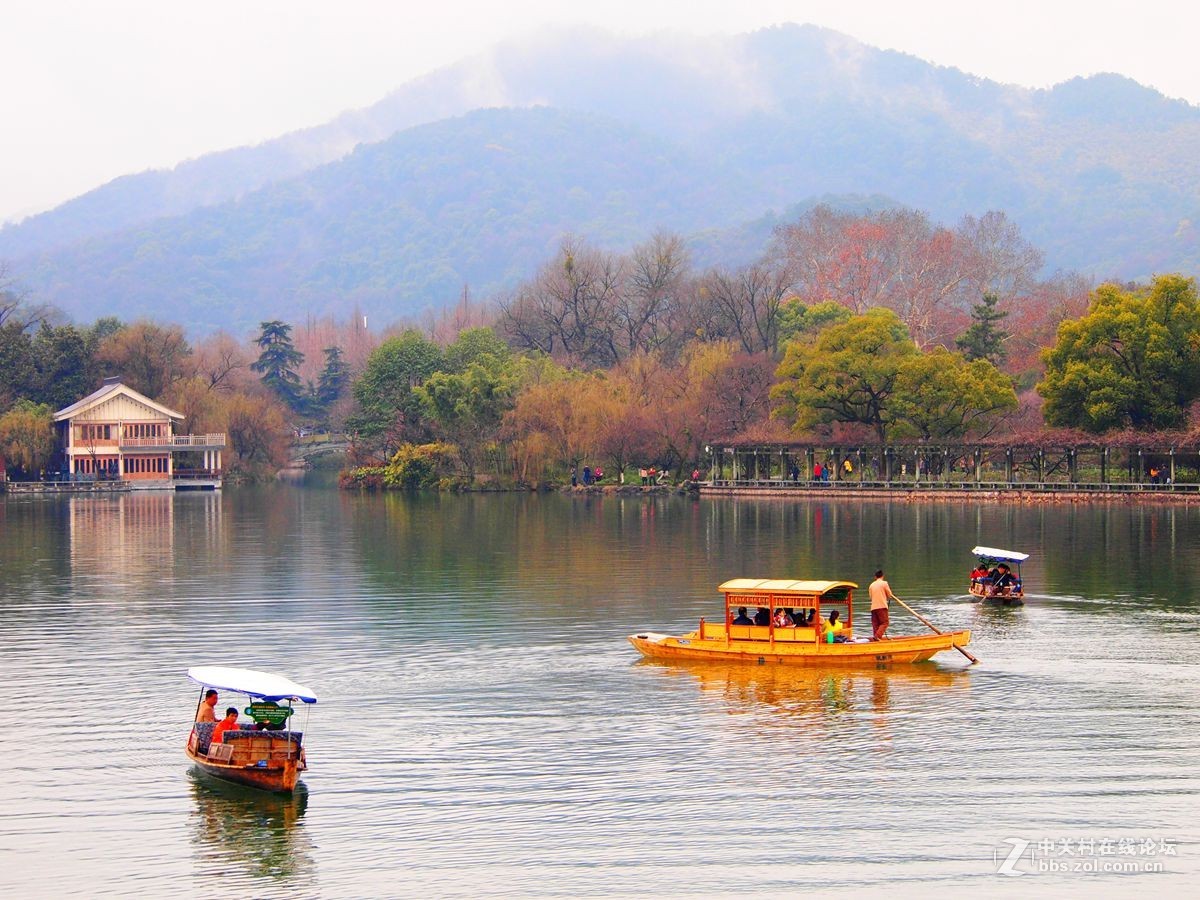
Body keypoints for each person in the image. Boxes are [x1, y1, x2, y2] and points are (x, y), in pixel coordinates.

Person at [869, 570, 896, 641]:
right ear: (882, 576)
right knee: (885, 622)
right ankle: (877, 636)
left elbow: (871, 597)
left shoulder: (871, 585)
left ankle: (876, 638)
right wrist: (888, 595)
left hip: (873, 608)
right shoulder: (884, 583)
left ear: (875, 577)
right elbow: (889, 595)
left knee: (876, 624)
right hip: (882, 606)